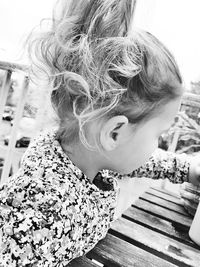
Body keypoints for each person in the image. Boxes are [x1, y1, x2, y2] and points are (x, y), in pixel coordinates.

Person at [0, 0, 200, 266]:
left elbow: (145, 162)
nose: (158, 144)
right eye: (158, 135)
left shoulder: (86, 155)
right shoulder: (43, 213)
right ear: (115, 132)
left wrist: (188, 170)